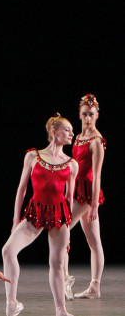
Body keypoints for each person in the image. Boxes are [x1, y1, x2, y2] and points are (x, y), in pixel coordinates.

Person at [1, 114, 87, 316]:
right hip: (35, 213)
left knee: (57, 264)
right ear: (54, 132)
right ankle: (11, 303)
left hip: (59, 216)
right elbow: (21, 191)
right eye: (67, 129)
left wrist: (68, 231)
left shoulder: (71, 164)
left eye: (71, 130)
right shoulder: (33, 156)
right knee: (8, 251)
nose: (71, 133)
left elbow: (69, 198)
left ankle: (61, 312)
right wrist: (15, 221)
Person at [63, 94, 105, 300]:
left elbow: (97, 175)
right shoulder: (78, 138)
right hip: (76, 189)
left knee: (61, 228)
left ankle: (64, 277)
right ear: (79, 115)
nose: (88, 118)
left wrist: (95, 204)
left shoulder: (96, 141)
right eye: (85, 114)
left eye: (91, 114)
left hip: (87, 194)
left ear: (97, 116)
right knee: (93, 240)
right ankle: (94, 287)